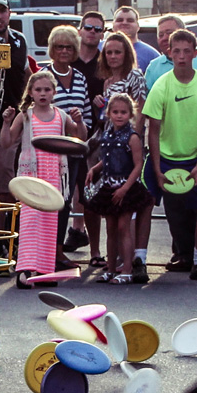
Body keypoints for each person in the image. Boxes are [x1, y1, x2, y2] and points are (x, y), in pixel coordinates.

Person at [142, 29, 197, 281]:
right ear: (169, 53)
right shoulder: (161, 84)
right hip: (164, 158)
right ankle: (137, 259)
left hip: (195, 159)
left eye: (187, 51)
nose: (181, 56)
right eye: (176, 51)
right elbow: (153, 130)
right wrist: (156, 168)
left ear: (195, 54)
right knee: (143, 205)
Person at [3, 70, 84, 285]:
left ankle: (45, 270)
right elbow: (7, 141)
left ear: (53, 92)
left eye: (47, 89)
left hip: (54, 176)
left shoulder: (61, 115)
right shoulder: (26, 115)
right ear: (30, 92)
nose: (43, 93)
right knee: (29, 222)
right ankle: (25, 269)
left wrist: (80, 121)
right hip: (31, 176)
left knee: (50, 223)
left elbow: (79, 138)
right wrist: (5, 122)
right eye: (38, 90)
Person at [84, 31, 146, 269]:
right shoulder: (107, 80)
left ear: (127, 53)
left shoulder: (135, 76)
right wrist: (101, 105)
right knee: (112, 207)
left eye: (117, 52)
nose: (112, 56)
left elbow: (139, 111)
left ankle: (129, 259)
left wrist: (136, 141)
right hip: (109, 144)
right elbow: (108, 116)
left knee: (127, 205)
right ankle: (115, 259)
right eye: (108, 52)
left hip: (128, 146)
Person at [85, 93, 151, 284]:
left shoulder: (132, 137)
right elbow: (106, 159)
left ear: (130, 114)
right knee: (111, 228)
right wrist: (95, 169)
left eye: (123, 112)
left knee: (124, 227)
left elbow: (138, 165)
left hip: (127, 187)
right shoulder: (107, 135)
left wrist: (125, 189)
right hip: (109, 185)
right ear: (109, 113)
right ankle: (111, 269)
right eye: (115, 112)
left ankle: (128, 270)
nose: (119, 116)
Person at [41, 25, 90, 266]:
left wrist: (80, 125)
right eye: (59, 46)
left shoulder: (80, 77)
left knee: (65, 201)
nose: (63, 51)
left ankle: (58, 251)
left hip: (73, 151)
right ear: (52, 48)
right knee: (46, 202)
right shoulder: (42, 74)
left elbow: (88, 114)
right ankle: (44, 252)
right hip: (47, 152)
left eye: (69, 47)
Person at [0, 0, 35, 200]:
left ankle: (19, 231)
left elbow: (26, 73)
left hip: (18, 121)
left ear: (9, 13)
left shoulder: (19, 40)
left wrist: (30, 105)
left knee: (19, 182)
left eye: (2, 11)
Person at [111, 6, 160, 72]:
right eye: (120, 20)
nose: (124, 23)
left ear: (138, 26)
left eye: (130, 20)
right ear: (113, 25)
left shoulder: (152, 55)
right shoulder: (99, 48)